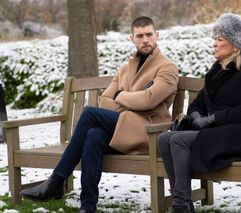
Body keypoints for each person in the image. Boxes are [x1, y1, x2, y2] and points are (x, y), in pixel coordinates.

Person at [20, 16, 179, 213]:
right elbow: (104, 100)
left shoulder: (167, 67)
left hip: (149, 133)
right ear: (132, 38)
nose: (145, 39)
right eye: (140, 35)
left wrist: (120, 96)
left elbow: (148, 100)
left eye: (149, 34)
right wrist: (131, 102)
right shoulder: (125, 68)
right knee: (93, 134)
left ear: (157, 35)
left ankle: (57, 180)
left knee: (89, 114)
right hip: (123, 130)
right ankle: (87, 207)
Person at [157, 13, 241, 213]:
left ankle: (180, 206)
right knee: (164, 139)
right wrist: (198, 116)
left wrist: (213, 118)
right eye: (214, 39)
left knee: (178, 140)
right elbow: (198, 103)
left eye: (220, 39)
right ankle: (183, 203)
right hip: (219, 131)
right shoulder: (217, 70)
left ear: (236, 44)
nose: (214, 44)